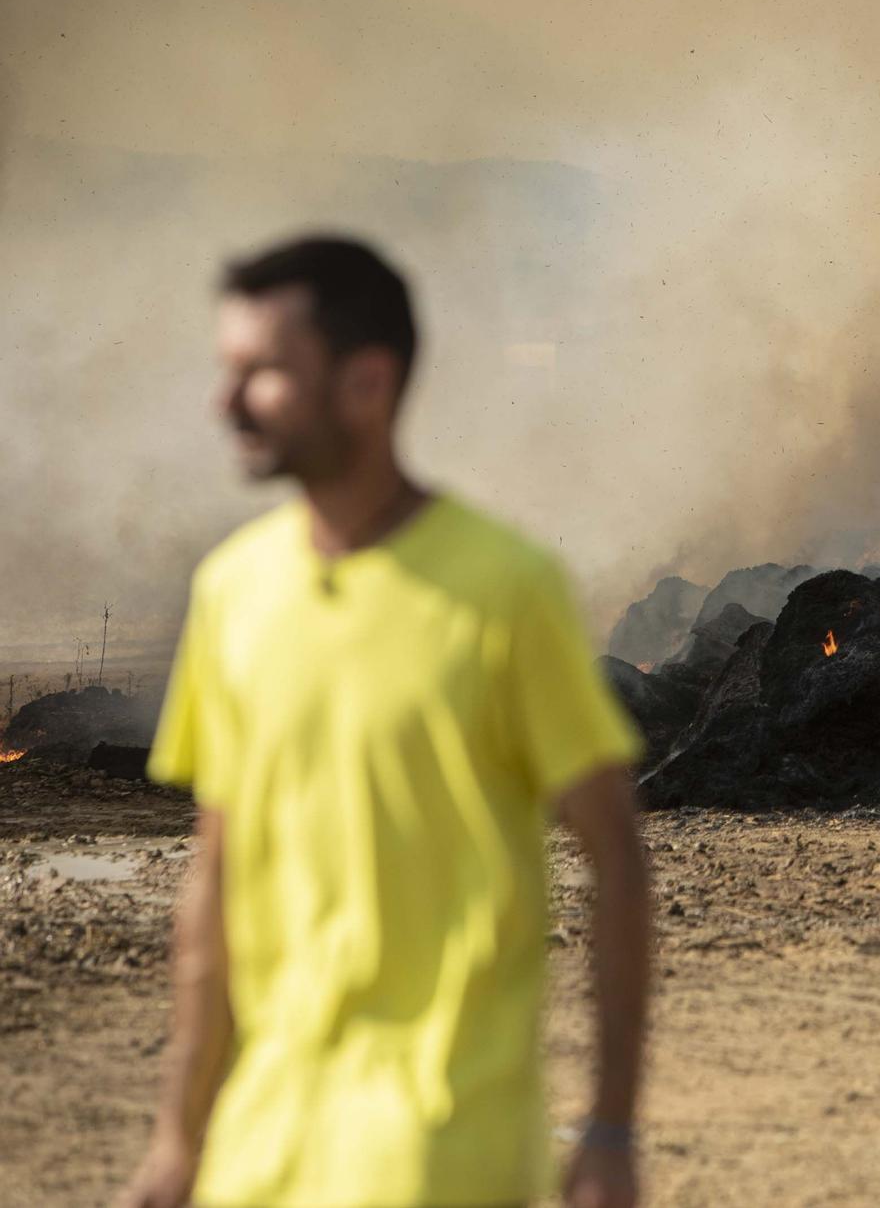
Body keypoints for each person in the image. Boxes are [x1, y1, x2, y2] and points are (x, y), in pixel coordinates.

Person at [118, 236, 651, 1208]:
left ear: (367, 383)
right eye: (226, 369)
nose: (225, 403)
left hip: (440, 1150)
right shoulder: (233, 592)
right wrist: (176, 1136)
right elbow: (215, 882)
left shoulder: (505, 589)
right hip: (260, 1149)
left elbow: (615, 858)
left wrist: (610, 1128)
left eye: (263, 373)